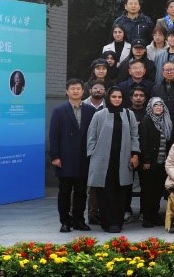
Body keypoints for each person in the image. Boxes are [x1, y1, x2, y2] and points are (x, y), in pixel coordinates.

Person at [85, 87, 140, 233]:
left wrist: (135, 154)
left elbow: (134, 135)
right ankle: (107, 222)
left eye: (119, 97)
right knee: (105, 192)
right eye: (114, 97)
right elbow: (91, 136)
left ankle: (117, 222)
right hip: (103, 160)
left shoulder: (129, 114)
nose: (117, 99)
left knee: (120, 192)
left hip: (122, 160)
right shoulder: (99, 114)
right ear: (109, 98)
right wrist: (92, 154)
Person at [50, 79, 96, 232]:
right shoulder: (59, 111)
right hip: (65, 158)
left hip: (83, 158)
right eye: (72, 89)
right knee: (64, 191)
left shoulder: (90, 111)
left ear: (83, 91)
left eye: (78, 89)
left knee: (81, 192)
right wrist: (55, 156)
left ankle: (79, 220)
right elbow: (53, 135)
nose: (75, 91)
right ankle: (65, 221)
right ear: (67, 91)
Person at [138, 97, 171, 228]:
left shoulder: (166, 120)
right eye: (155, 105)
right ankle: (147, 217)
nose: (158, 107)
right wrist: (146, 160)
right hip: (150, 162)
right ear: (151, 108)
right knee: (147, 191)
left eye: (160, 105)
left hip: (162, 162)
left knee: (157, 190)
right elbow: (143, 142)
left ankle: (155, 215)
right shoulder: (146, 121)